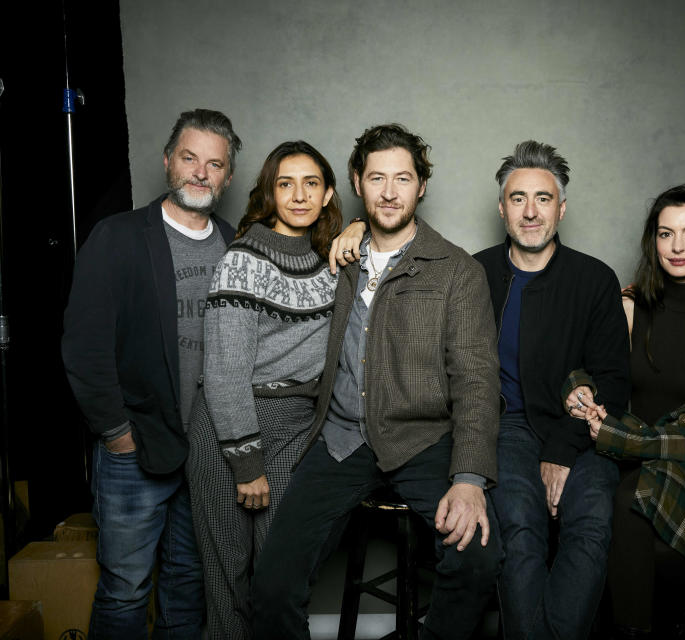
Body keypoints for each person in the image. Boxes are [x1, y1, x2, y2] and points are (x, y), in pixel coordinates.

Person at [250, 124, 502, 640]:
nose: (390, 191)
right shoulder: (336, 257)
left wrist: (470, 479)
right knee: (272, 585)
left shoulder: (458, 271)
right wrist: (355, 230)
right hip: (341, 440)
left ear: (422, 186)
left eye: (403, 178)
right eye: (377, 178)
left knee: (478, 559)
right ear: (357, 184)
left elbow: (477, 381)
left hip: (424, 440)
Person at [62, 108, 241, 639]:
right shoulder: (117, 237)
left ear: (228, 177)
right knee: (126, 588)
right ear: (168, 161)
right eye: (190, 158)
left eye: (214, 164)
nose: (200, 173)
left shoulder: (237, 244)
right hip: (136, 450)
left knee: (188, 585)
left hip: (206, 454)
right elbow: (84, 345)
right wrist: (116, 434)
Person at [186, 141, 364, 638]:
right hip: (230, 429)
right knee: (226, 584)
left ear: (329, 193)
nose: (299, 195)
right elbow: (223, 370)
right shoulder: (244, 259)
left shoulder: (335, 260)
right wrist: (247, 463)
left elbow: (395, 225)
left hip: (295, 430)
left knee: (278, 579)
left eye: (311, 184)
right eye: (285, 184)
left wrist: (360, 225)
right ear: (270, 192)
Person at [473, 140, 631, 639]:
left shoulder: (594, 279)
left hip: (584, 429)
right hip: (509, 427)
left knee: (591, 524)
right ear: (502, 208)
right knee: (520, 529)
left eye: (543, 198)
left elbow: (613, 380)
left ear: (561, 209)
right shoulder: (473, 274)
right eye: (518, 198)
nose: (531, 211)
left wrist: (563, 450)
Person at [571, 183, 685, 639]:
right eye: (666, 234)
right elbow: (586, 369)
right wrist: (580, 389)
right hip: (635, 457)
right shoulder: (630, 306)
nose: (678, 247)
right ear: (653, 241)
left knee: (630, 509)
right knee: (615, 515)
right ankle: (664, 624)